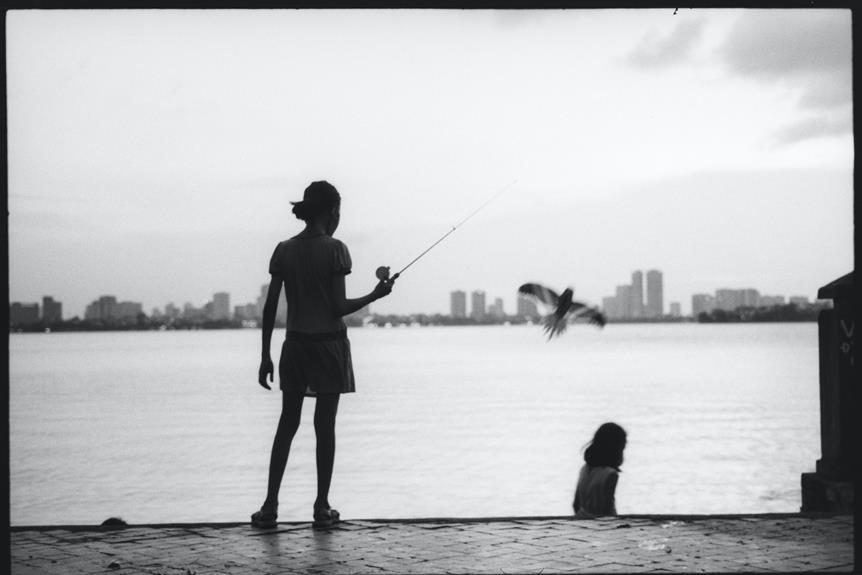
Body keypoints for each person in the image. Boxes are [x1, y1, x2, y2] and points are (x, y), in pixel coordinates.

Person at [251, 180, 393, 529]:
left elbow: (271, 307)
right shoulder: (336, 250)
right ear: (332, 212)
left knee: (286, 425)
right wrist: (376, 294)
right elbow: (338, 307)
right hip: (329, 346)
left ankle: (270, 506)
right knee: (324, 427)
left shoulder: (283, 250)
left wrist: (265, 354)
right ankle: (321, 506)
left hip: (295, 345)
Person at [573, 422, 627, 518]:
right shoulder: (611, 474)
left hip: (581, 518)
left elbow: (576, 505)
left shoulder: (584, 469)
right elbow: (606, 510)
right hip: (602, 524)